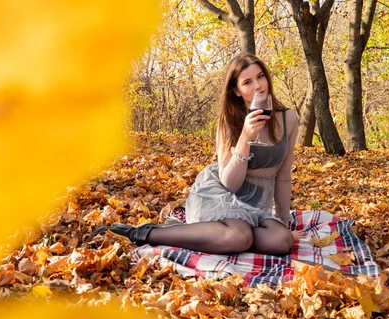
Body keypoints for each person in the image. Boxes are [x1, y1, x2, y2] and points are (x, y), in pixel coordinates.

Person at [92, 53, 300, 255]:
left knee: (281, 241)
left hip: (256, 205)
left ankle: (216, 236)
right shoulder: (229, 121)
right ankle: (146, 233)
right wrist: (245, 138)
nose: (258, 86)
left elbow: (283, 177)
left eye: (260, 76)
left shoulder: (288, 119)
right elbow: (230, 184)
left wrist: (284, 222)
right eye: (247, 82)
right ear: (236, 91)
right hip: (221, 195)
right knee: (238, 237)